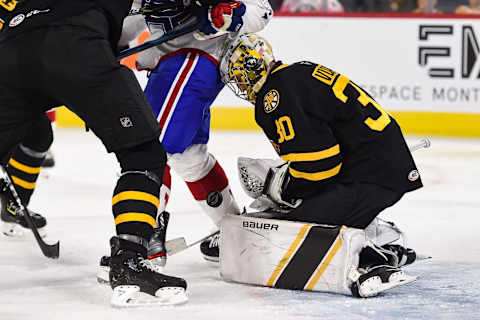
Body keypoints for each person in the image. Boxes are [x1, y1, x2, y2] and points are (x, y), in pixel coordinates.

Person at [0, 0, 188, 307]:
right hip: (75, 41)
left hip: (12, 46)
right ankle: (129, 261)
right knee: (143, 153)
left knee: (37, 131)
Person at [218, 34, 423, 296]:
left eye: (240, 77)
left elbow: (321, 167)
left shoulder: (274, 96)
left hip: (371, 176)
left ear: (252, 70)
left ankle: (372, 262)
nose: (241, 85)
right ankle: (378, 245)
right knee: (306, 214)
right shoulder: (296, 72)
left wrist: (285, 191)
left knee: (293, 230)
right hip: (378, 166)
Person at [118, 0, 273, 263]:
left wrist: (231, 15)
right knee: (189, 157)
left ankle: (144, 241)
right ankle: (234, 233)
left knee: (151, 147)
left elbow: (261, 9)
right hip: (168, 63)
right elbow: (128, 21)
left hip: (195, 57)